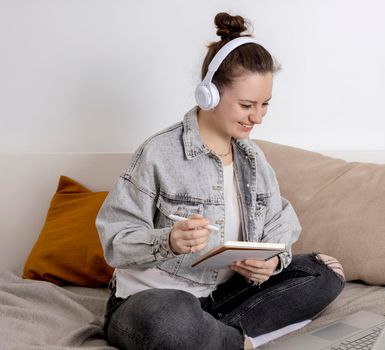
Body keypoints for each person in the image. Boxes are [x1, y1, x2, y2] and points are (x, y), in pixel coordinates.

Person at [96, 12, 345, 350]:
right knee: (171, 317)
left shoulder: (252, 158)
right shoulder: (158, 153)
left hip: (220, 297)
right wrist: (167, 240)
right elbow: (115, 240)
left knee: (325, 271)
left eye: (264, 105)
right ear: (208, 95)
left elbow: (280, 221)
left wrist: (271, 262)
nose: (257, 117)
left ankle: (208, 336)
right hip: (149, 301)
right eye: (246, 105)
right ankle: (228, 341)